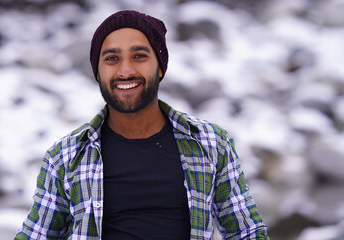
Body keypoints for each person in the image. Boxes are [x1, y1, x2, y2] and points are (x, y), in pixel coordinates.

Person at [15, 10, 269, 240]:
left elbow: (246, 232)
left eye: (139, 56)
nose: (125, 71)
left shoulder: (210, 143)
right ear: (98, 72)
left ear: (160, 67)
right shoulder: (66, 156)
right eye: (112, 58)